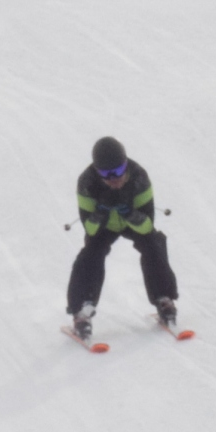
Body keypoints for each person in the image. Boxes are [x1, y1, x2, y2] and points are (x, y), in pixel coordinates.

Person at [67, 136, 178, 339]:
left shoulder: (139, 178)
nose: (113, 179)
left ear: (126, 165)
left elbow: (146, 227)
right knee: (91, 254)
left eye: (118, 171)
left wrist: (128, 212)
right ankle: (82, 310)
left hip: (132, 223)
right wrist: (101, 211)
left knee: (153, 244)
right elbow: (90, 230)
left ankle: (164, 298)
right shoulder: (87, 183)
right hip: (103, 227)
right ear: (97, 171)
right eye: (105, 174)